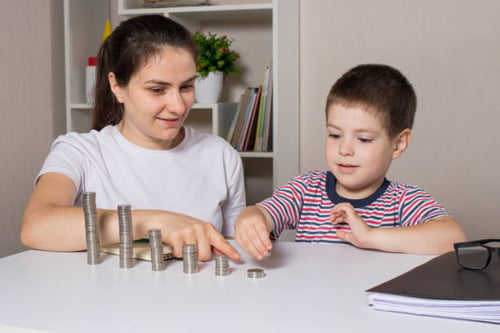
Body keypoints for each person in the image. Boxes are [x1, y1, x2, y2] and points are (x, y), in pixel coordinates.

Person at [21, 15, 245, 261]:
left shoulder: (220, 155)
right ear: (117, 86)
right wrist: (157, 222)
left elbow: (233, 251)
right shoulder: (79, 151)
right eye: (157, 90)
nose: (178, 107)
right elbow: (36, 226)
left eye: (186, 87)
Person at [234, 64, 466, 260]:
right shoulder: (306, 190)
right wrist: (252, 218)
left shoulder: (403, 201)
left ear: (398, 144)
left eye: (364, 139)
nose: (344, 149)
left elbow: (453, 239)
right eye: (335, 135)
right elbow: (264, 213)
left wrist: (370, 236)